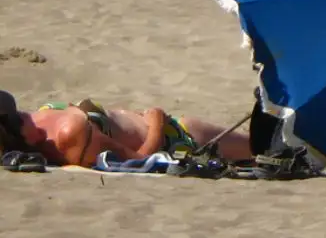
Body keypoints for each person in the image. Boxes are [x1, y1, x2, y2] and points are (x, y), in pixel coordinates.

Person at [0, 89, 252, 166]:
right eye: (18, 118)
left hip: (172, 128)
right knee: (260, 149)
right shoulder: (69, 136)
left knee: (258, 147)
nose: (25, 115)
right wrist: (157, 123)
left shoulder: (39, 118)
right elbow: (140, 159)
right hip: (179, 138)